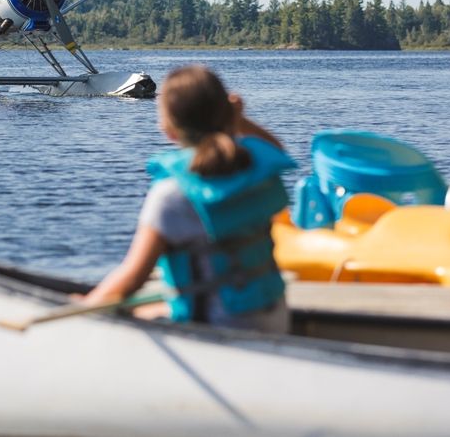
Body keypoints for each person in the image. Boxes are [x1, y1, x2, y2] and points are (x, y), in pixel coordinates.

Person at [81, 65, 296, 333]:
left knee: (130, 311)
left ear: (167, 129)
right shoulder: (258, 168)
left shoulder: (171, 195)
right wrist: (238, 120)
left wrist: (87, 305)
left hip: (219, 330)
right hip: (273, 319)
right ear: (227, 113)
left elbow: (131, 280)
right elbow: (273, 149)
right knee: (152, 309)